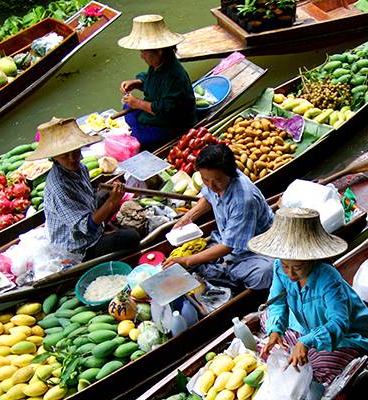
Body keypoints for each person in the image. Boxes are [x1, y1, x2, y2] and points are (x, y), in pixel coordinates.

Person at [248, 207, 368, 386]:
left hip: (345, 335)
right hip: (306, 326)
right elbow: (277, 303)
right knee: (267, 318)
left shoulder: (328, 278)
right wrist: (275, 330)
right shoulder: (279, 268)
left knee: (318, 367)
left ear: (311, 259)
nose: (290, 274)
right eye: (286, 266)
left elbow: (339, 322)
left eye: (298, 268)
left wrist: (306, 341)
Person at [162, 143, 274, 290]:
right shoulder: (215, 180)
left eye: (217, 180)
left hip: (254, 249)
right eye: (205, 179)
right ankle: (222, 266)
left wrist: (187, 261)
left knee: (264, 273)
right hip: (224, 239)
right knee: (203, 254)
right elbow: (208, 197)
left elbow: (228, 246)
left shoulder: (243, 200)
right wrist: (188, 216)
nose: (211, 185)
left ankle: (227, 273)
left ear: (230, 173)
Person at [26, 117, 140, 261]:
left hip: (86, 220)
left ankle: (106, 225)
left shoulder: (81, 167)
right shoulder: (60, 188)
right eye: (65, 156)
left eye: (75, 152)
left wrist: (111, 198)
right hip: (78, 245)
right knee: (132, 236)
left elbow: (90, 197)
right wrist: (112, 202)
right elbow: (87, 227)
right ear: (54, 158)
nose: (72, 158)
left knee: (106, 194)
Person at [117, 14, 196, 150]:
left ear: (159, 51)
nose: (142, 56)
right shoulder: (158, 65)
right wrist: (136, 83)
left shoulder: (174, 76)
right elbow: (151, 81)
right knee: (127, 109)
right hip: (157, 112)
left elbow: (166, 110)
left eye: (144, 52)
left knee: (140, 138)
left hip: (174, 122)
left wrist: (138, 103)